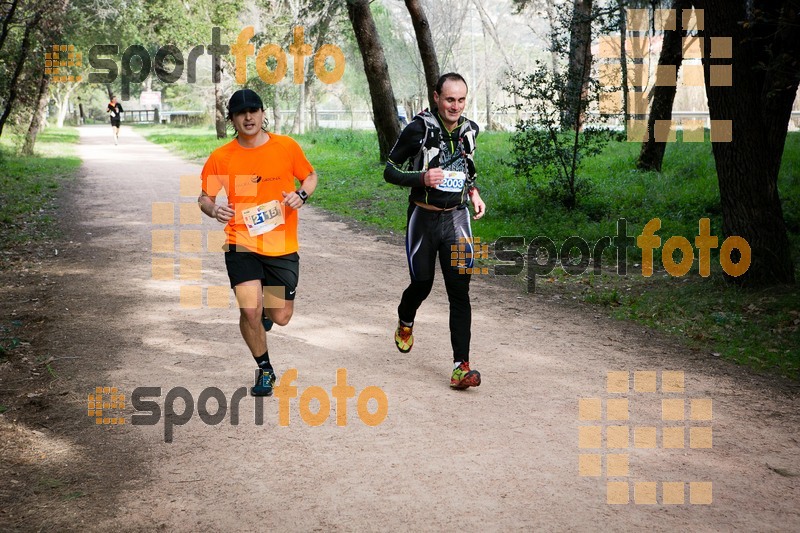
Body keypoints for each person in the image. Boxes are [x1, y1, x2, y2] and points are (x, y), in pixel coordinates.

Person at [198, 89, 318, 396]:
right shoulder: (221, 157)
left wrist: (301, 195)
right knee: (249, 309)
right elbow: (204, 198)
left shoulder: (286, 147)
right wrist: (214, 209)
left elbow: (310, 177)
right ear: (233, 119)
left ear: (263, 114)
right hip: (241, 241)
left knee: (281, 316)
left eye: (253, 111)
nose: (248, 117)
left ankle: (266, 312)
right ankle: (265, 369)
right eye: (241, 113)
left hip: (281, 245)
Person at [384, 72, 486, 390]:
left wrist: (473, 192)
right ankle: (405, 319)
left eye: (461, 99)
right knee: (422, 284)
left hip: (457, 219)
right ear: (436, 98)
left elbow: (465, 165)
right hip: (423, 218)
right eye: (449, 99)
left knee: (461, 292)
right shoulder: (418, 128)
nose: (455, 106)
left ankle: (461, 367)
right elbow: (390, 170)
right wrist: (421, 178)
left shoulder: (471, 129)